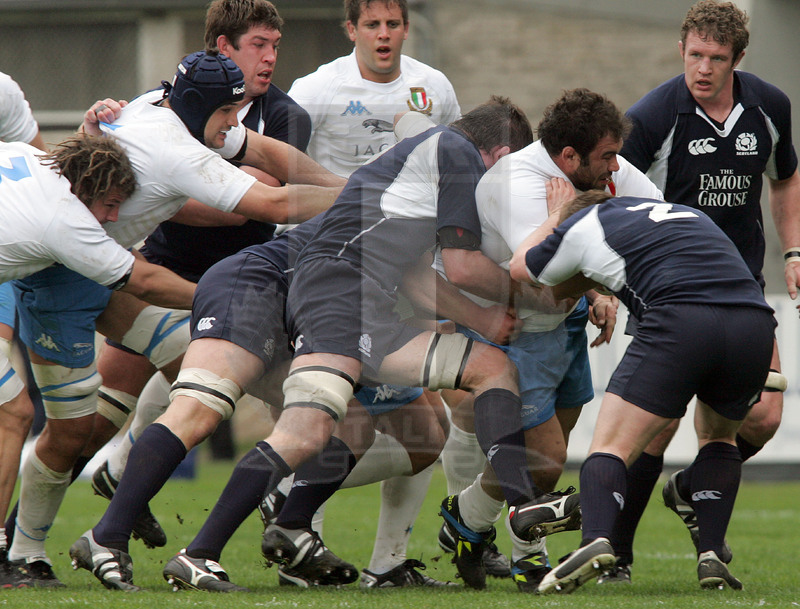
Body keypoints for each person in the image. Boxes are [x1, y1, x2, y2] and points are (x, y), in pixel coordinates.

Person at [148, 96, 589, 594]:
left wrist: (480, 318)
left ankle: (521, 504)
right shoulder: (458, 153)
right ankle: (200, 552)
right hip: (338, 291)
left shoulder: (434, 159)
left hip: (368, 302)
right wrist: (539, 298)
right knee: (306, 429)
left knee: (490, 368)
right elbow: (463, 267)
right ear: (502, 152)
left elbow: (417, 273)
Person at [6, 51, 344, 587]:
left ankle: (125, 490)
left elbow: (261, 149)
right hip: (62, 278)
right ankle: (24, 551)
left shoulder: (162, 109)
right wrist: (364, 199)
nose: (237, 122)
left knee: (205, 372)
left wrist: (347, 185)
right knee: (65, 433)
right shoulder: (173, 148)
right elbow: (274, 206)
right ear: (196, 105)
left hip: (97, 263)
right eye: (229, 111)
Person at [68, 212, 518, 591]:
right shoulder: (406, 216)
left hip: (289, 301)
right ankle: (138, 539)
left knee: (344, 422)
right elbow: (414, 286)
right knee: (202, 411)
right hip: (258, 289)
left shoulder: (410, 216)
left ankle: (291, 522)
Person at [82, 0, 314, 549]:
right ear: (222, 51)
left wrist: (351, 189)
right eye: (257, 45)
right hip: (162, 264)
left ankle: (286, 526)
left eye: (275, 46)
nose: (269, 58)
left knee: (226, 394)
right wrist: (152, 173)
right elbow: (245, 203)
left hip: (235, 273)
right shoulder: (168, 112)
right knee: (89, 421)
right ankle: (32, 541)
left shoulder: (283, 116)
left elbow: (258, 199)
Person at [278, 0, 474, 586]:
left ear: (406, 29)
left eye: (393, 25)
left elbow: (455, 167)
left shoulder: (432, 87)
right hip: (335, 275)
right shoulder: (315, 90)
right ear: (351, 30)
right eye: (372, 25)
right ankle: (287, 501)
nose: (384, 35)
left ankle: (371, 555)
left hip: (404, 277)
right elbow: (280, 170)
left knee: (423, 433)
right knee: (353, 419)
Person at [602, 0, 800, 582]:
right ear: (681, 50)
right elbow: (611, 197)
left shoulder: (768, 106)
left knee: (762, 417)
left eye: (716, 58)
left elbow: (785, 178)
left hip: (740, 290)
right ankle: (618, 553)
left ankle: (692, 487)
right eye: (695, 55)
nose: (703, 68)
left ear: (737, 58)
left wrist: (793, 251)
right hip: (664, 290)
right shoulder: (652, 118)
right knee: (656, 427)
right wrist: (609, 281)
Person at [435, 88, 663, 591]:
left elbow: (656, 215)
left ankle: (476, 527)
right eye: (606, 158)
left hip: (566, 323)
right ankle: (514, 547)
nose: (615, 168)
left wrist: (601, 292)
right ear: (567, 157)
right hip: (518, 334)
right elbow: (539, 271)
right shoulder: (518, 179)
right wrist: (570, 217)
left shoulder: (597, 169)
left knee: (541, 465)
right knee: (547, 461)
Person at [509, 189, 775, 593]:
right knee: (719, 437)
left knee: (610, 445)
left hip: (682, 320)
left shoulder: (584, 222)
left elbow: (521, 269)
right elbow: (580, 283)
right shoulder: (681, 212)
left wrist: (557, 214)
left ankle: (597, 537)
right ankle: (711, 555)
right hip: (754, 323)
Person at [0, 134, 197, 587]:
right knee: (39, 421)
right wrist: (229, 293)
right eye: (108, 204)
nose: (114, 217)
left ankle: (127, 472)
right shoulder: (62, 221)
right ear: (82, 188)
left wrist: (99, 118)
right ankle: (23, 552)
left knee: (198, 364)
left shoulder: (37, 157)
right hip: (48, 291)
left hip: (75, 273)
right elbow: (143, 280)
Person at [0, 70, 48, 588]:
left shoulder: (3, 91)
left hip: (2, 262)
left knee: (12, 412)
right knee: (13, 411)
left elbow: (42, 169)